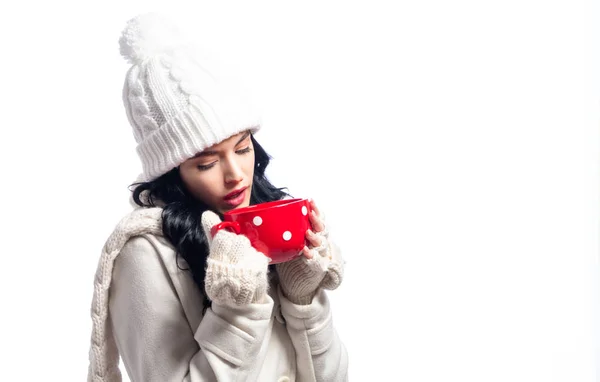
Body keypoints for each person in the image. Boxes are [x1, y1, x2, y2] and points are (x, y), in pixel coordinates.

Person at [87, 12, 348, 382]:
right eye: (207, 164)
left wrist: (303, 300)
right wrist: (237, 308)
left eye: (243, 148)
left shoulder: (261, 225)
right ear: (172, 171)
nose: (236, 175)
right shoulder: (144, 255)